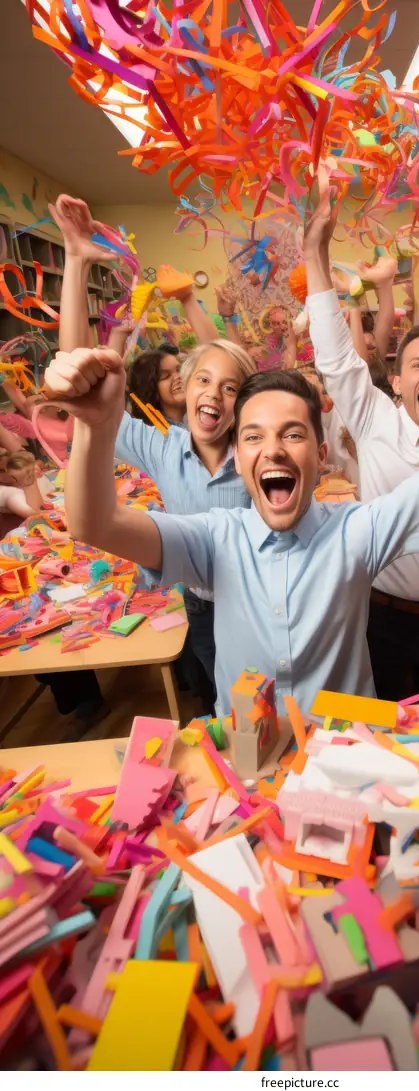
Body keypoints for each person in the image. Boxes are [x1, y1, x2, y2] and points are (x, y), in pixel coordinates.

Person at [43, 225, 419, 714]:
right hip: (247, 770)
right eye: (254, 435)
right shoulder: (215, 538)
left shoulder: (356, 530)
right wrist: (94, 424)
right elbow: (94, 524)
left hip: (346, 765)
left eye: (293, 433)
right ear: (238, 455)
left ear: (321, 453)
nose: (275, 449)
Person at [55, 197, 256, 714]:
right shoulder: (162, 447)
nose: (214, 394)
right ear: (185, 390)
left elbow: (234, 367)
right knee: (226, 706)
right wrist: (75, 262)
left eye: (230, 389)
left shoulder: (257, 446)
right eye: (203, 382)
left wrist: (196, 306)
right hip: (203, 607)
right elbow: (82, 380)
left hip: (262, 597)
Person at [303, 179, 419, 699]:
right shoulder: (374, 419)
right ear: (398, 381)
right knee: (379, 741)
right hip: (380, 618)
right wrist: (316, 252)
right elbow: (337, 359)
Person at [126, 343, 186, 427]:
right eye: (166, 376)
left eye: (179, 369)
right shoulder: (156, 436)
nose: (178, 376)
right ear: (152, 390)